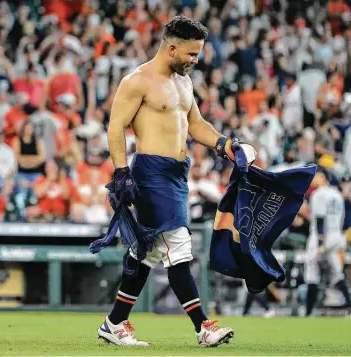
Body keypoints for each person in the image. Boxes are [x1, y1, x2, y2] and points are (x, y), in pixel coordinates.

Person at [98, 16, 256, 347]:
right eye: (192, 54)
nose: (196, 60)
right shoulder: (137, 81)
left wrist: (226, 144)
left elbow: (195, 123)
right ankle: (203, 326)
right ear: (171, 49)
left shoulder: (183, 82)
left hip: (177, 174)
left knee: (148, 253)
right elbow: (115, 127)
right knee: (178, 244)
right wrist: (121, 172)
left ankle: (114, 322)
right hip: (151, 172)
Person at [304, 170, 351, 316]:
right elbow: (342, 219)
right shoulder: (337, 194)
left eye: (316, 176)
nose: (313, 179)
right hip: (336, 235)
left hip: (321, 236)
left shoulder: (318, 194)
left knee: (311, 271)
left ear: (323, 177)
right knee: (336, 271)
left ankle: (308, 312)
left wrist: (320, 244)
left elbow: (319, 219)